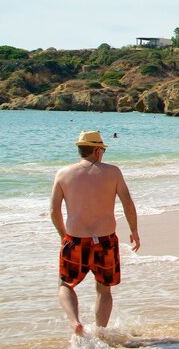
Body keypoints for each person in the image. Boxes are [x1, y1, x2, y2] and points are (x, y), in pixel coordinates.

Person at [50, 131, 139, 336]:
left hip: (75, 239)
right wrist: (134, 230)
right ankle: (100, 332)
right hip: (106, 240)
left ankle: (76, 323)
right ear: (97, 151)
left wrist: (63, 234)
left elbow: (54, 210)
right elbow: (128, 204)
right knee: (103, 289)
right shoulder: (113, 172)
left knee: (65, 285)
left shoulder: (63, 174)